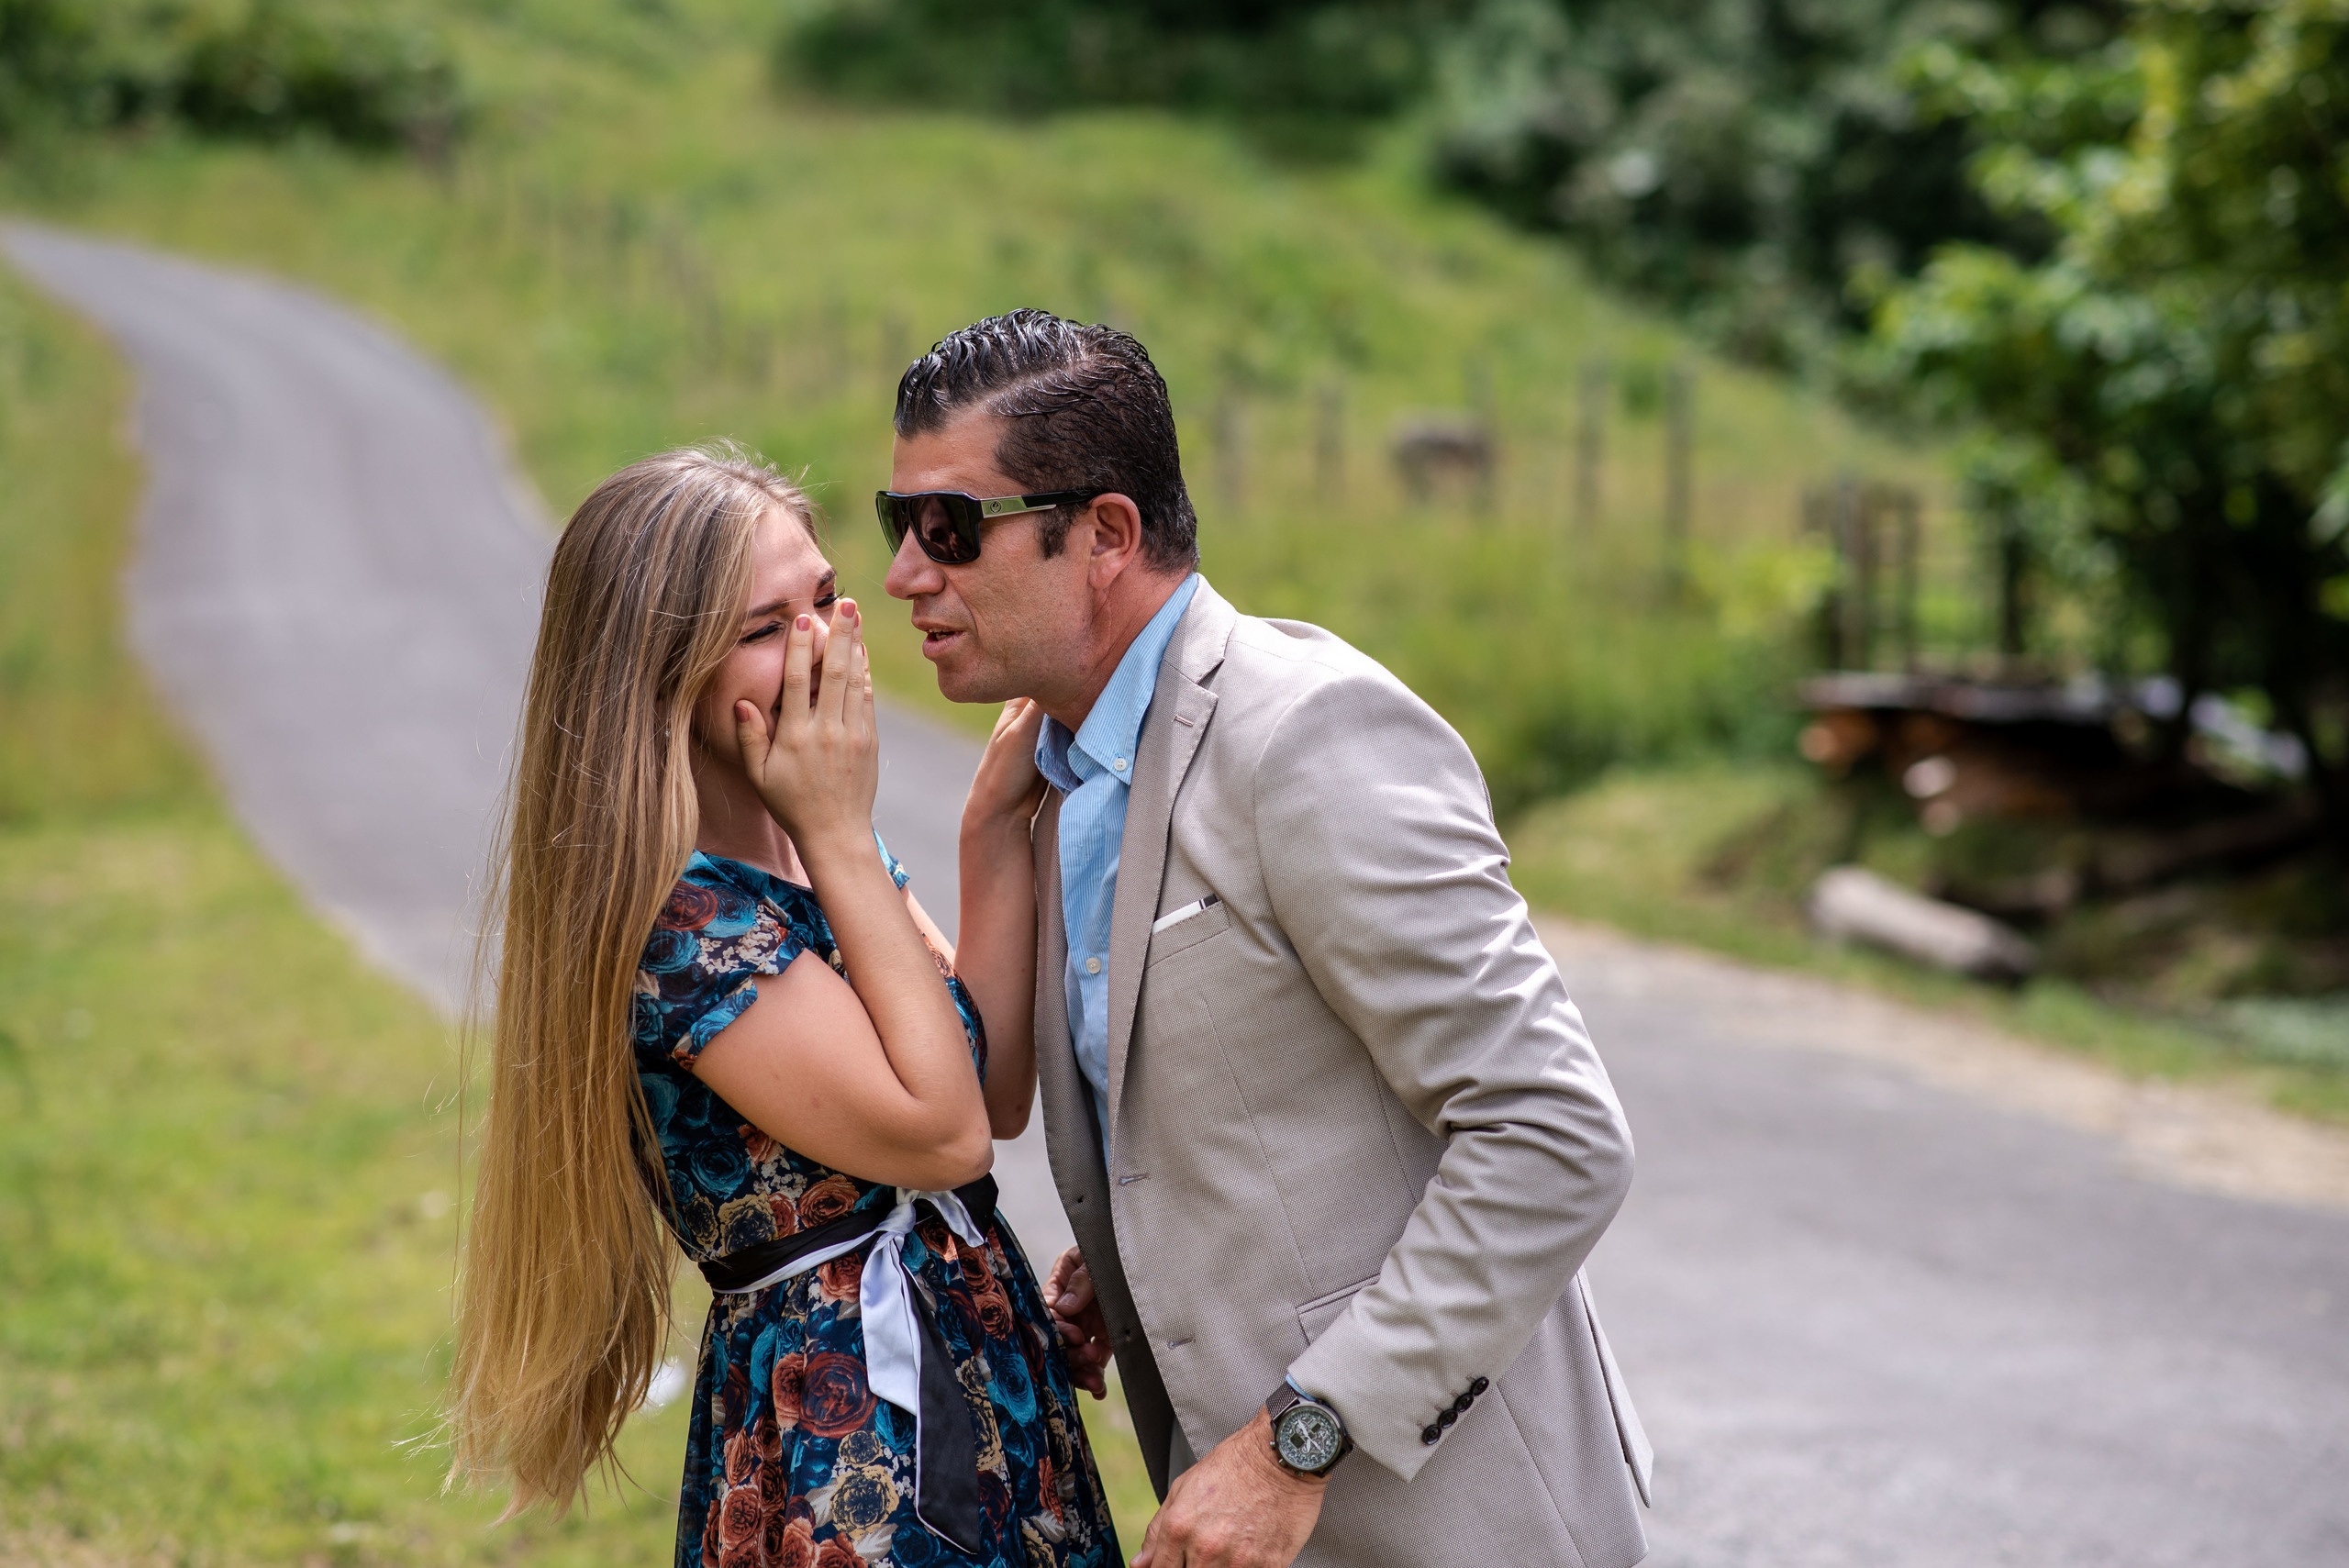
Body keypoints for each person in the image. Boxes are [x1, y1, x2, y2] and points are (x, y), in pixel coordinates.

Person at [879, 313, 1655, 1568]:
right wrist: (1151, 1253)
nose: (908, 573)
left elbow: (1553, 1136)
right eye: (897, 522)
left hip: (1457, 1527)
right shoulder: (1063, 780)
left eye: (950, 526)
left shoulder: (1305, 733)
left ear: (1106, 533)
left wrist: (1298, 1441)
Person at [449, 447, 1121, 1568]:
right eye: (765, 627)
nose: (819, 645)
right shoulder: (679, 920)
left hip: (971, 1365)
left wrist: (990, 824)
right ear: (661, 675)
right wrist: (841, 831)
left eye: (825, 597)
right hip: (847, 1438)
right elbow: (943, 1133)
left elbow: (991, 1086)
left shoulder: (812, 842)